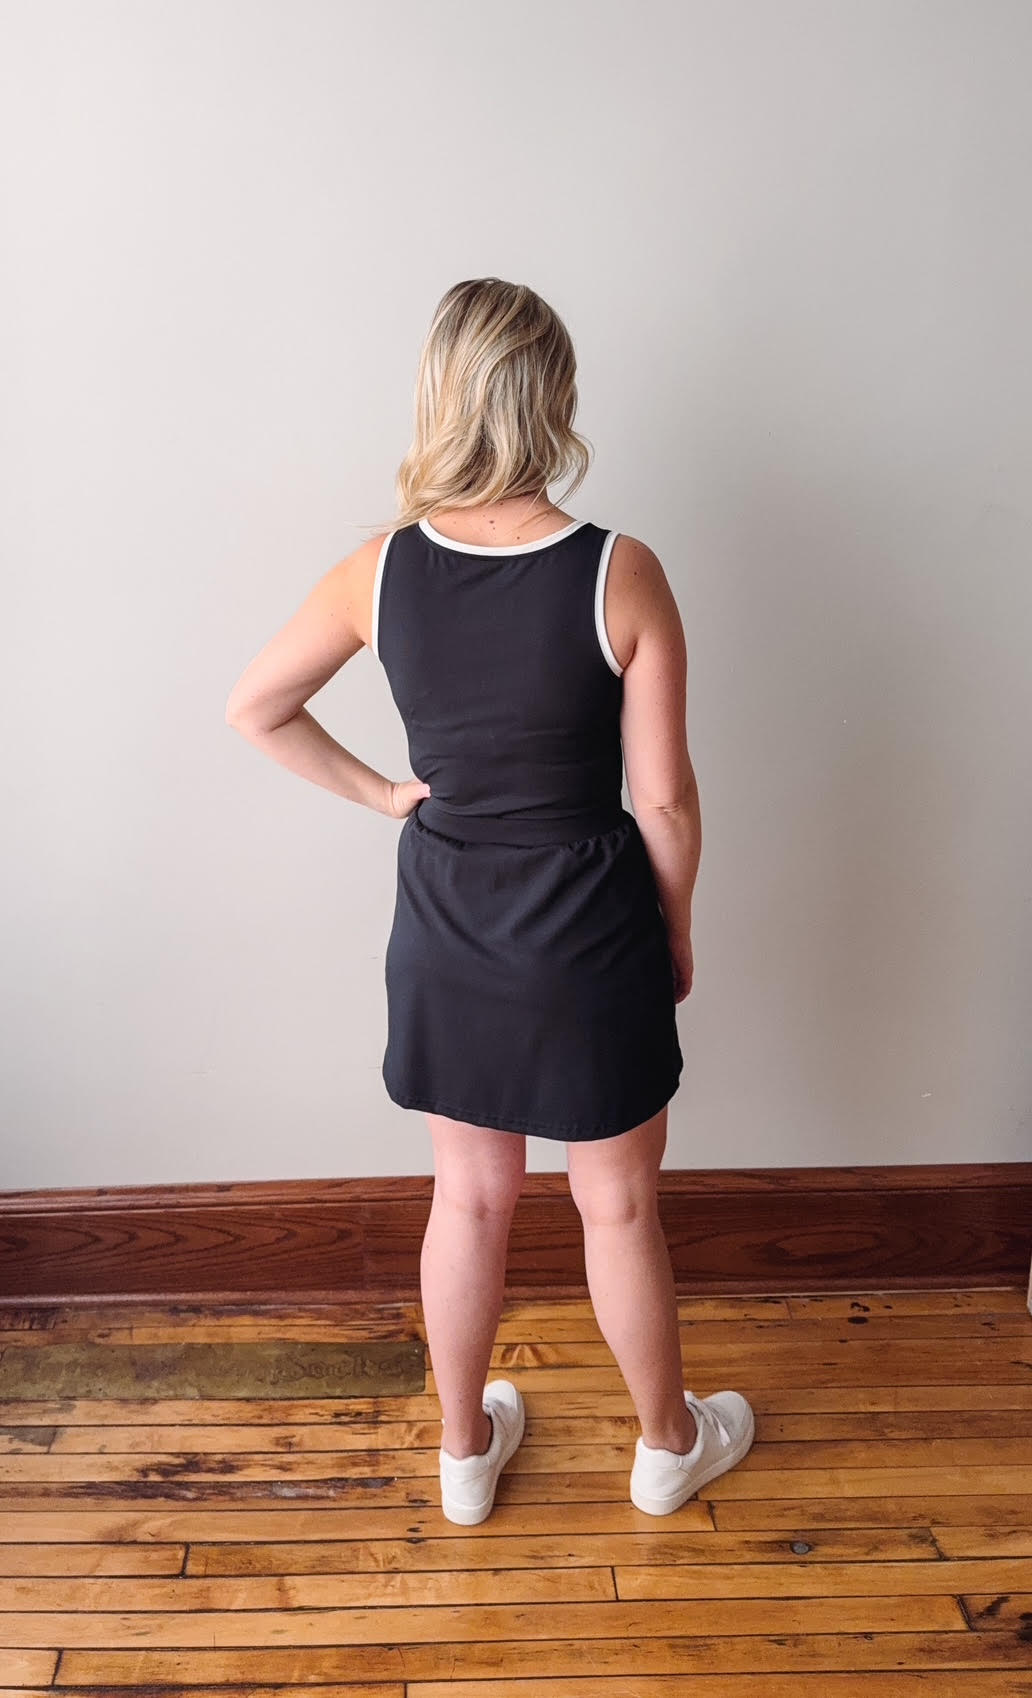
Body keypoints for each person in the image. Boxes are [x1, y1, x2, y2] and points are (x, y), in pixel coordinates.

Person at [226, 276, 755, 1526]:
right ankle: (667, 1449)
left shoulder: (382, 569)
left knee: (465, 1198)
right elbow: (665, 802)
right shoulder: (620, 572)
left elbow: (254, 706)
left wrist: (382, 794)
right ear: (553, 399)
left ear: (443, 396)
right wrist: (673, 926)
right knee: (616, 1200)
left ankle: (464, 1458)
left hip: (449, 926)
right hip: (588, 926)